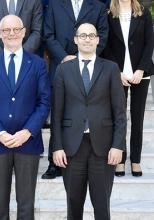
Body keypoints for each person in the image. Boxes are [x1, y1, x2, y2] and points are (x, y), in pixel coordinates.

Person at [0, 14, 51, 220]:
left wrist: (27, 132)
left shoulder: (36, 63)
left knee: (26, 204)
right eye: (6, 30)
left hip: (28, 142)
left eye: (16, 29)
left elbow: (44, 102)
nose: (12, 34)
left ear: (24, 32)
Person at [50, 23, 126, 220]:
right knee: (73, 206)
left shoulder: (110, 68)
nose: (87, 39)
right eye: (82, 35)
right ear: (75, 39)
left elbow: (119, 111)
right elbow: (56, 113)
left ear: (97, 40)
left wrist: (118, 146)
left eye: (91, 35)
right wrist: (57, 147)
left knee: (102, 206)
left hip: (103, 148)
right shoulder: (63, 69)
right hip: (71, 148)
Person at [40, 0, 109, 179]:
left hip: (89, 70)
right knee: (58, 113)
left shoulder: (98, 7)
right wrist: (64, 57)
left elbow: (103, 36)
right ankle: (54, 162)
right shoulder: (53, 4)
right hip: (61, 68)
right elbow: (48, 35)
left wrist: (82, 57)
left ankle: (82, 158)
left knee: (84, 113)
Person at [101, 0, 154, 178]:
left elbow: (150, 43)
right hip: (118, 74)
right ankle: (120, 160)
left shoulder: (144, 13)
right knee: (119, 117)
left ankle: (136, 160)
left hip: (141, 73)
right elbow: (105, 47)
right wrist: (118, 71)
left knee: (138, 118)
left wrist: (141, 70)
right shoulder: (108, 15)